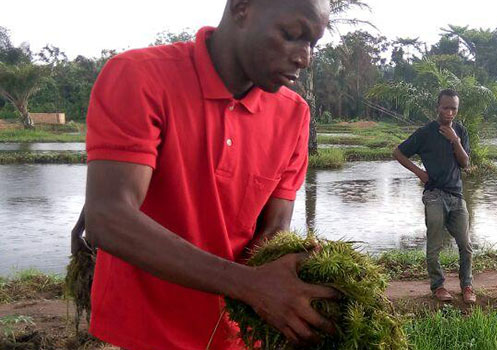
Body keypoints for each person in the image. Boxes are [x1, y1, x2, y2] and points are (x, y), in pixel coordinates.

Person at [81, 0, 338, 349]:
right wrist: (251, 285)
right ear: (242, 8)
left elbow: (274, 230)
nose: (304, 57)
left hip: (236, 333)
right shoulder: (139, 77)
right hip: (140, 332)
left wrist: (295, 274)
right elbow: (108, 216)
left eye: (314, 44)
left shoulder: (294, 115)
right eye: (293, 35)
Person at [392, 89, 476, 304]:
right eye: (445, 107)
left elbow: (465, 163)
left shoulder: (460, 131)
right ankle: (438, 286)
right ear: (437, 107)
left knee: (465, 245)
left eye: (453, 109)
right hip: (434, 195)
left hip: (456, 196)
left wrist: (455, 140)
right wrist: (419, 172)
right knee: (435, 243)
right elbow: (398, 152)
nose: (449, 112)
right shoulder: (425, 133)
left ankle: (467, 285)